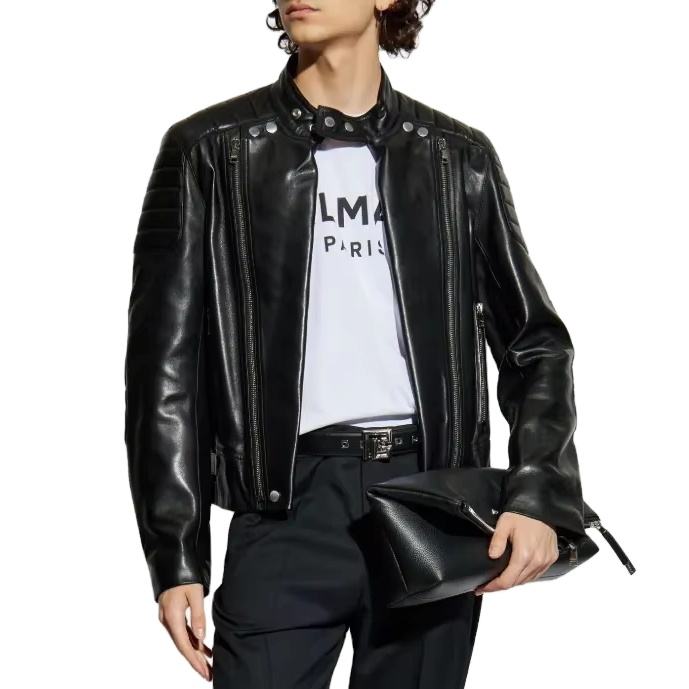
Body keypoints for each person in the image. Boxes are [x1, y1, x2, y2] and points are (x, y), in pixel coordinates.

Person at [124, 1, 587, 686]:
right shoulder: (212, 149)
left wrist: (537, 491)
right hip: (286, 505)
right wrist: (175, 555)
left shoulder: (456, 157)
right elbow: (163, 372)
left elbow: (535, 344)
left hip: (428, 502)